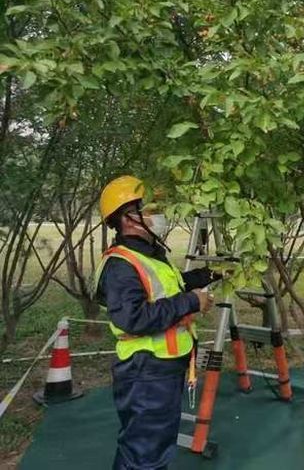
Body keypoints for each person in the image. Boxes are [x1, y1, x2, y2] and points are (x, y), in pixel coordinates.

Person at [95, 175, 215, 470]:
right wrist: (191, 302)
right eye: (147, 209)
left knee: (148, 446)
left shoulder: (148, 255)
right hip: (146, 371)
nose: (156, 215)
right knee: (145, 453)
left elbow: (167, 289)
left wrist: (206, 277)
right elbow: (133, 318)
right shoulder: (121, 265)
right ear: (128, 219)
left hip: (161, 368)